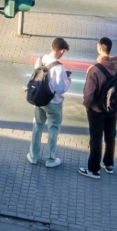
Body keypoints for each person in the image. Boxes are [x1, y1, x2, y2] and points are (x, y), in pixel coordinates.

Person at [80, 37, 117, 179]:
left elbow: (89, 93)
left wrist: (87, 105)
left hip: (96, 110)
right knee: (110, 136)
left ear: (99, 47)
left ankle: (93, 169)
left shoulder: (94, 69)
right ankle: (109, 164)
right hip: (113, 108)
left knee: (96, 138)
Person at [28, 38, 71, 168]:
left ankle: (33, 156)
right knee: (53, 129)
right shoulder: (59, 67)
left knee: (37, 126)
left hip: (39, 100)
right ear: (62, 50)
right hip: (54, 103)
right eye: (64, 51)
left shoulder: (40, 60)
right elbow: (61, 88)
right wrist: (68, 80)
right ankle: (50, 159)